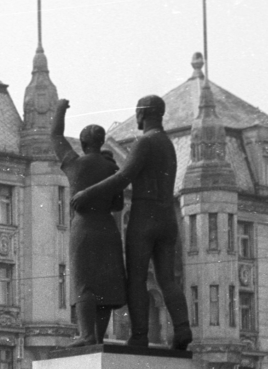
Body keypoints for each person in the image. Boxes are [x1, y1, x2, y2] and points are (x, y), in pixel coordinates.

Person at [71, 93, 193, 350]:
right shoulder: (168, 144)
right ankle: (182, 329)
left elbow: (123, 178)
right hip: (167, 218)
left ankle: (139, 334)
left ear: (142, 114)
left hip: (144, 216)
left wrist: (87, 193)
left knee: (136, 278)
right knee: (167, 279)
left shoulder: (144, 143)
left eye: (137, 112)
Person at [51, 99, 126, 346]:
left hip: (83, 228)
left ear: (83, 144)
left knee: (84, 282)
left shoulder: (75, 163)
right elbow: (118, 205)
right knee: (104, 283)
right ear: (101, 142)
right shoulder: (111, 168)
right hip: (107, 229)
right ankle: (98, 336)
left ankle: (86, 334)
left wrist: (61, 108)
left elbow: (55, 135)